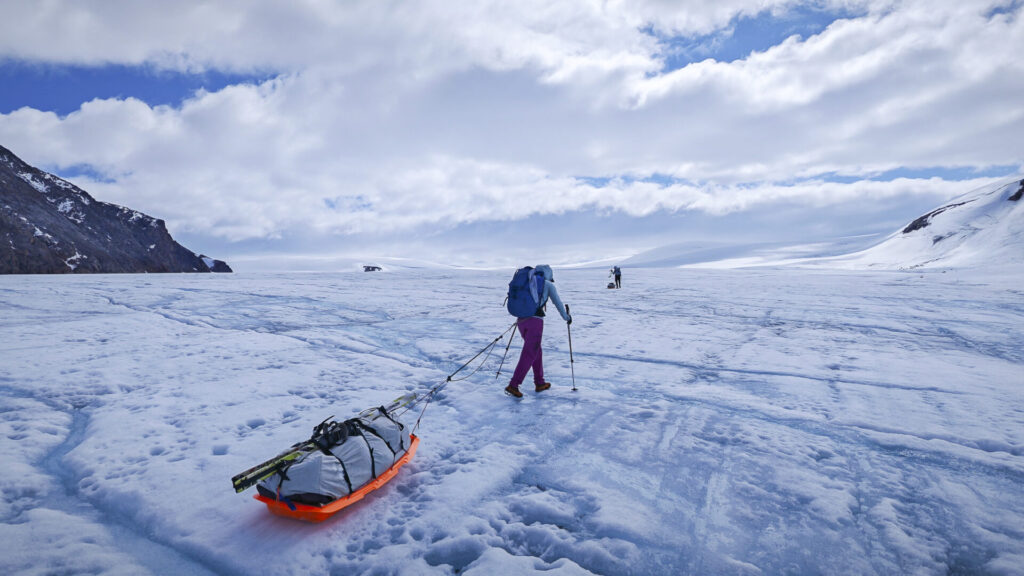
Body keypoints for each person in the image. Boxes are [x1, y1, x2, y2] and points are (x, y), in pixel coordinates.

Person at [505, 264, 571, 398]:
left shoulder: (529, 282)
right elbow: (557, 303)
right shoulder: (548, 285)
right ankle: (513, 385)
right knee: (530, 352)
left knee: (536, 351)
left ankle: (540, 382)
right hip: (535, 322)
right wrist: (567, 317)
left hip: (521, 320)